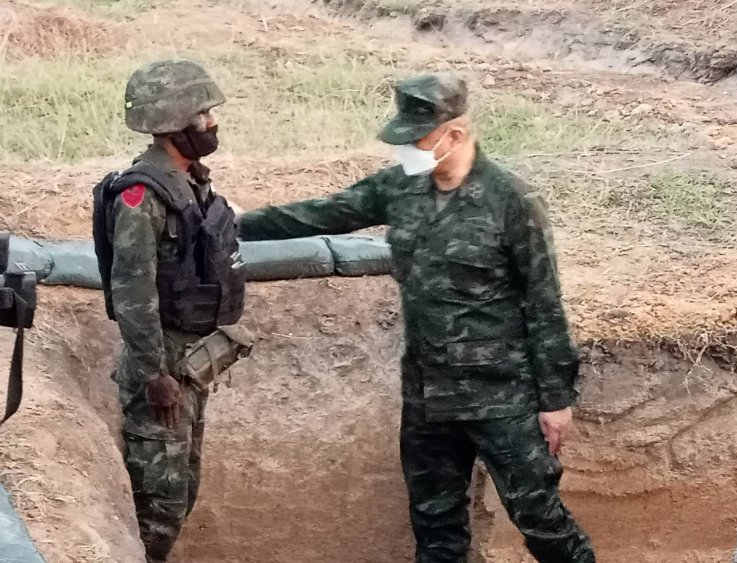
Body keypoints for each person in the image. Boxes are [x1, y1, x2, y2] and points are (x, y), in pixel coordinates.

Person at [238, 73, 595, 562]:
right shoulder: (399, 188)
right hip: (427, 396)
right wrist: (231, 223)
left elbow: (543, 299)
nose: (407, 149)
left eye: (418, 139)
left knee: (541, 522)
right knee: (435, 526)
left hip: (500, 396)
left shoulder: (512, 201)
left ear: (455, 134)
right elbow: (319, 214)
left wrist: (555, 400)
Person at [95, 59, 246, 563]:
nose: (211, 122)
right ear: (172, 121)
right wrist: (153, 374)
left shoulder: (191, 182)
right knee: (157, 507)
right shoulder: (141, 196)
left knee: (183, 490)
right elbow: (133, 291)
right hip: (163, 366)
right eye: (202, 113)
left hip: (190, 360)